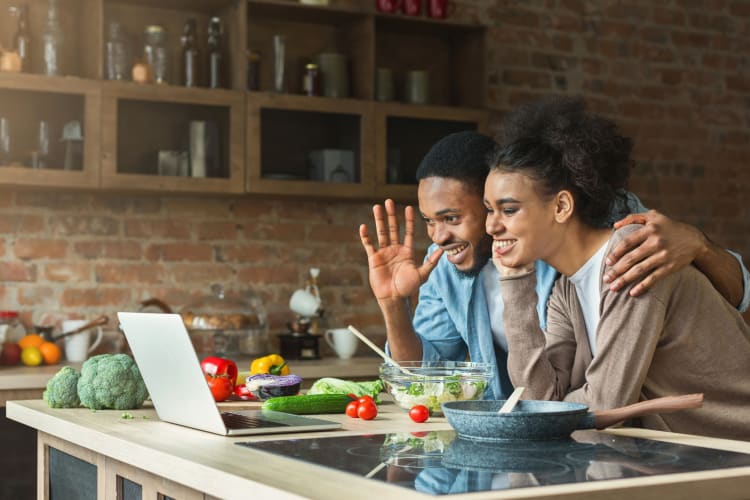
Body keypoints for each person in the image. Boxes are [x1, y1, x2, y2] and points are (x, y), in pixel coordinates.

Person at [359, 130, 750, 401]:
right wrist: (394, 304)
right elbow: (424, 376)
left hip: (670, 430)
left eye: (452, 218)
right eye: (430, 221)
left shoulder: (610, 233)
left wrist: (699, 245)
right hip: (579, 431)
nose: (438, 237)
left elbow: (735, 296)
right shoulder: (445, 265)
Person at [485, 96, 750, 440]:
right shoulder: (567, 291)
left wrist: (558, 410)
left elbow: (606, 404)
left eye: (508, 210)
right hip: (686, 453)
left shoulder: (632, 254)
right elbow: (536, 401)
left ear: (562, 206)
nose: (491, 226)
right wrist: (516, 280)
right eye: (488, 210)